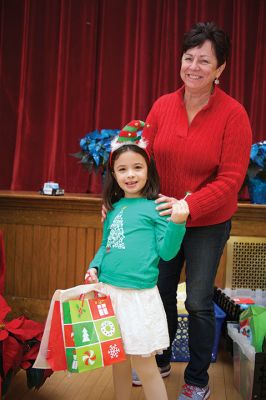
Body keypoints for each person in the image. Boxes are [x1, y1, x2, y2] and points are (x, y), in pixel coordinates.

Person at [129, 22, 252, 400]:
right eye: (188, 57)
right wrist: (120, 200)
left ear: (220, 69)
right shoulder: (162, 106)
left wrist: (189, 205)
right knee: (159, 291)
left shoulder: (234, 115)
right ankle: (161, 358)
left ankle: (198, 378)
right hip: (163, 218)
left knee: (198, 301)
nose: (193, 66)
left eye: (204, 60)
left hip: (207, 222)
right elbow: (141, 156)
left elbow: (231, 179)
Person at [85, 120, 188, 400]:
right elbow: (106, 245)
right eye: (122, 169)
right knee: (117, 360)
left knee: (145, 365)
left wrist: (178, 223)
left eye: (137, 167)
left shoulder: (156, 208)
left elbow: (167, 253)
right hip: (110, 293)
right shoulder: (114, 208)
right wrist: (94, 266)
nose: (130, 175)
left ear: (148, 170)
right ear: (114, 175)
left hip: (139, 297)